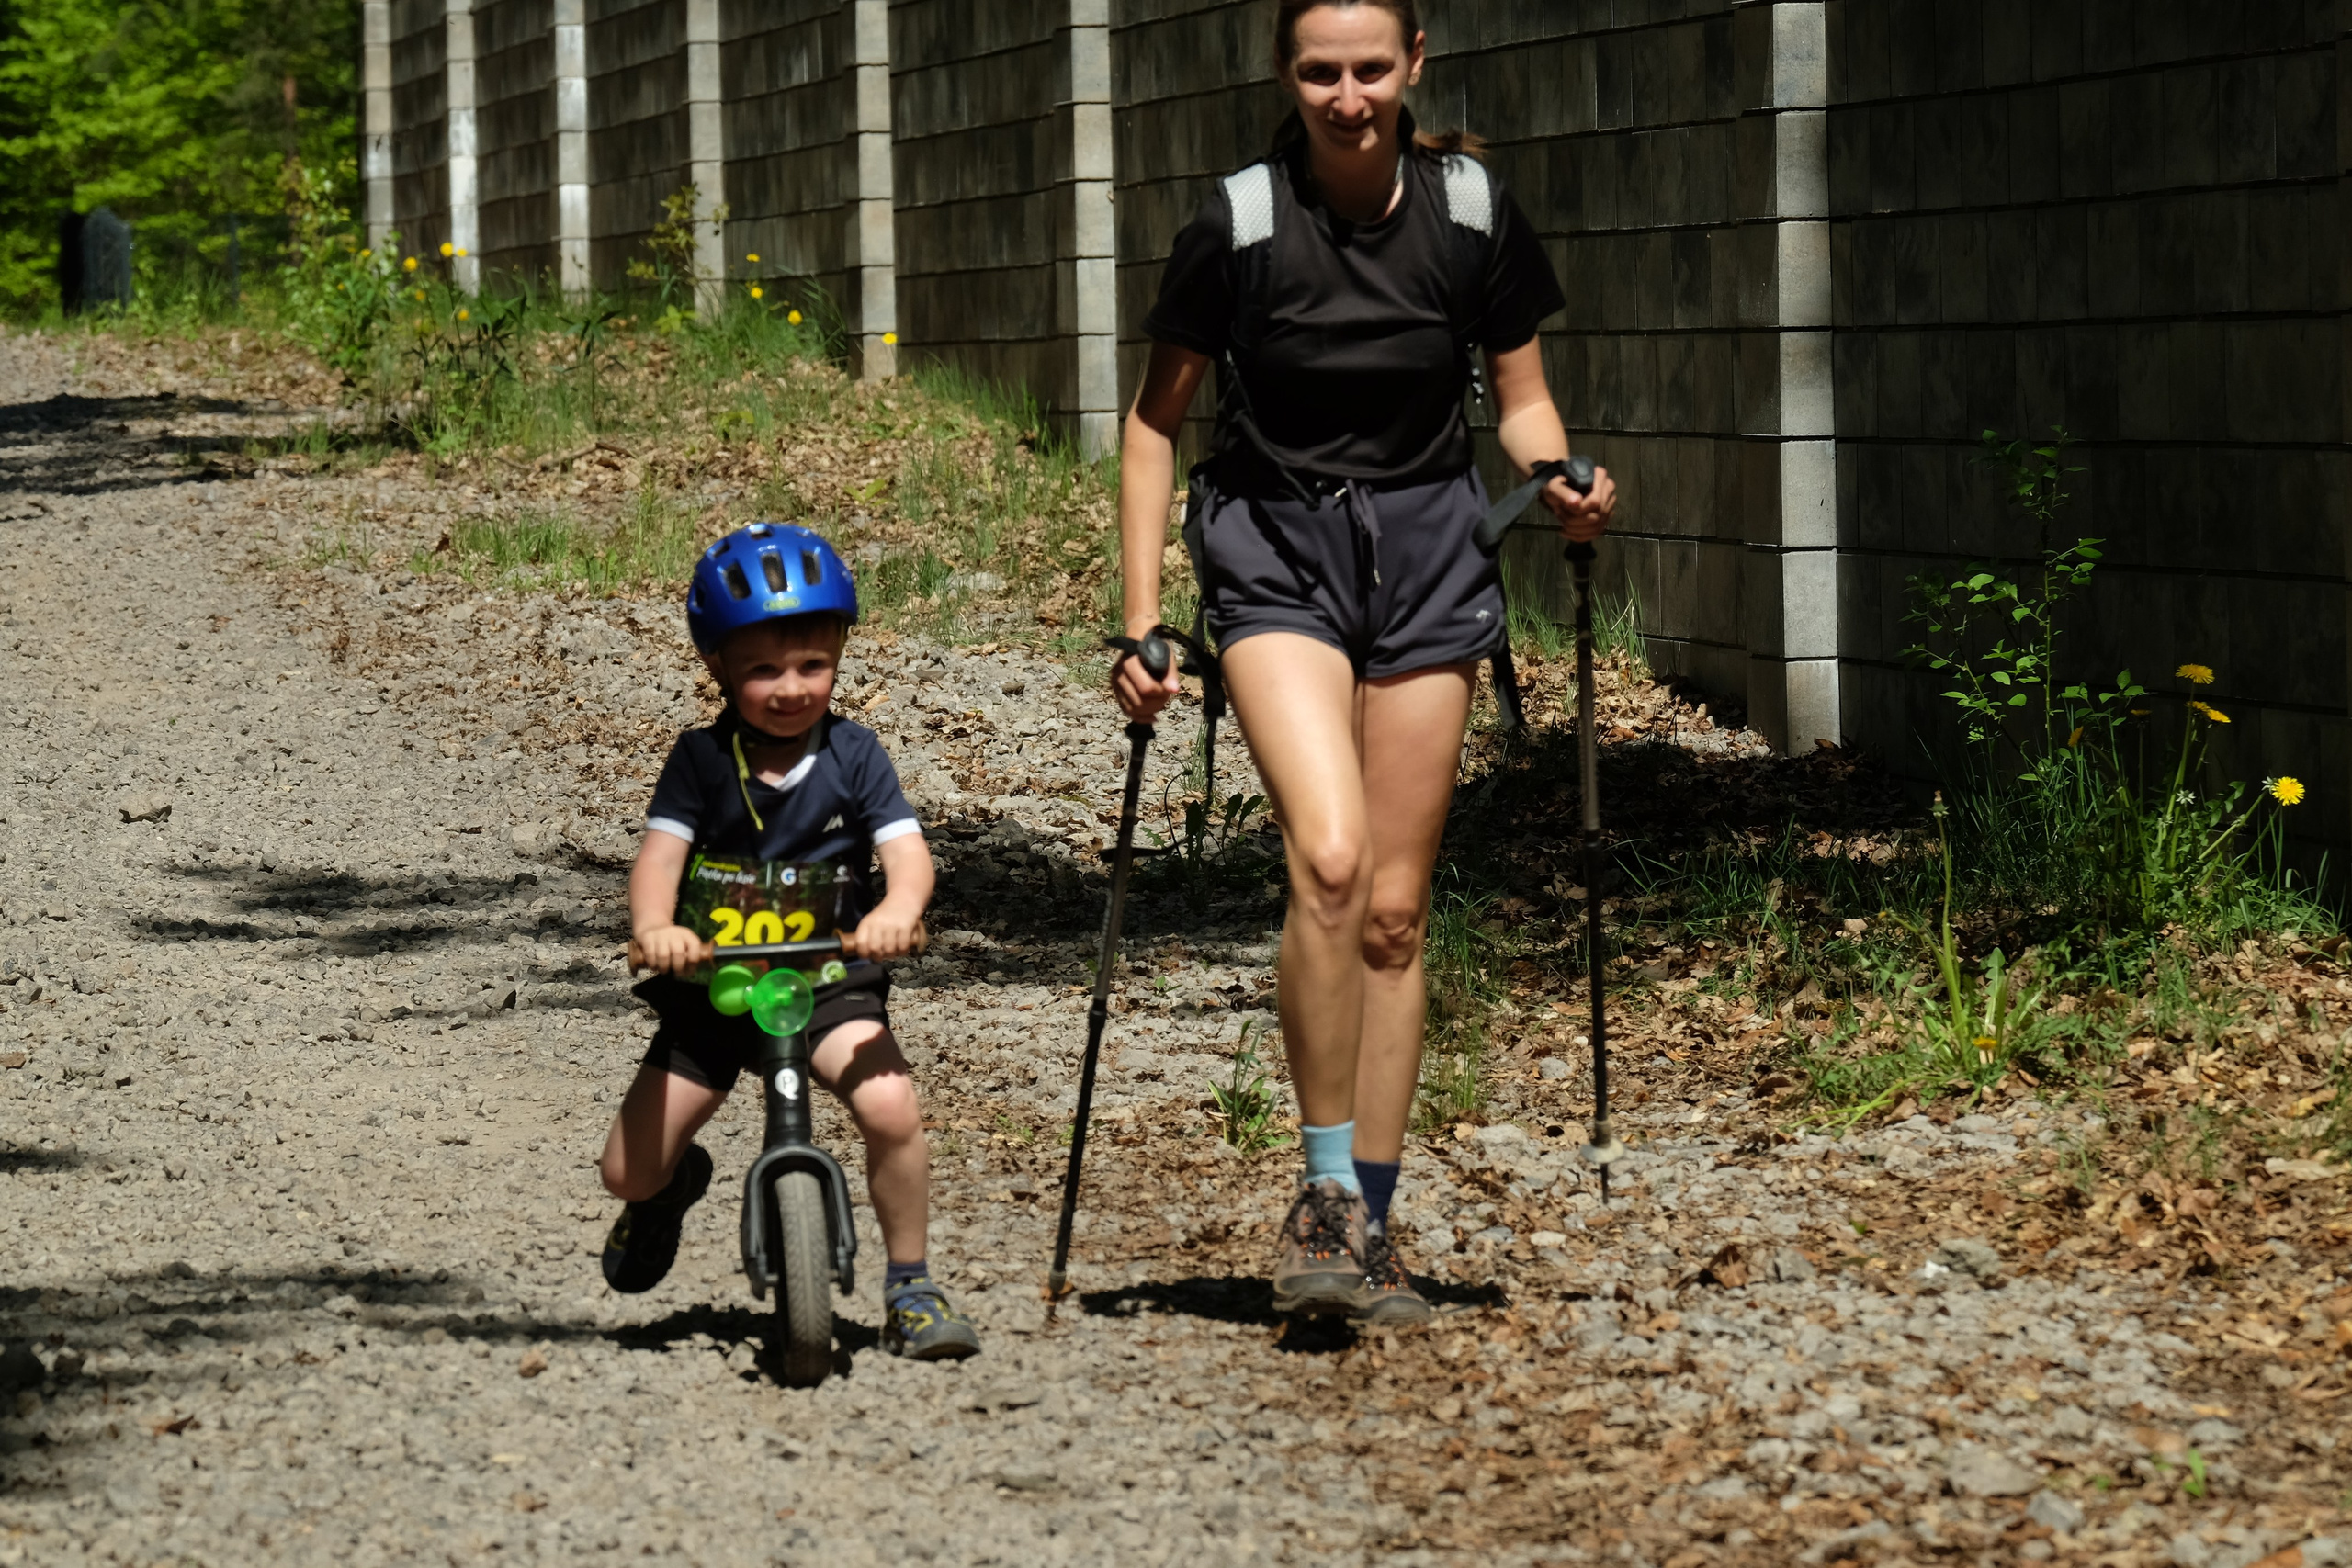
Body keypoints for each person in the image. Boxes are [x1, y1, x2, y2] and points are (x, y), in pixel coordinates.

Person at [1112, 0, 1617, 1323]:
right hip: (1276, 553)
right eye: (1321, 73)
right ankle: (1322, 1193)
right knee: (1328, 860)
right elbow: (1154, 425)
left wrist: (1559, 478)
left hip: (1430, 554)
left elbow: (1520, 401)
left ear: (1414, 68)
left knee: (1395, 908)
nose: (1347, 97)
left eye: (1371, 71)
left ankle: (1372, 1224)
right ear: (1289, 76)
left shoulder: (1468, 212)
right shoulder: (1240, 222)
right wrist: (1141, 614)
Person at [597, 523, 980, 1361]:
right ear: (719, 669)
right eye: (763, 669)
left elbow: (906, 853)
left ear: (839, 654)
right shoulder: (702, 761)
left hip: (829, 976)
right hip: (715, 985)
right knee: (626, 1170)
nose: (790, 687)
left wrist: (899, 907)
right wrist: (656, 928)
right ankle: (669, 1192)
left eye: (813, 664)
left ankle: (911, 1283)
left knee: (891, 1106)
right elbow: (659, 858)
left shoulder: (854, 754)